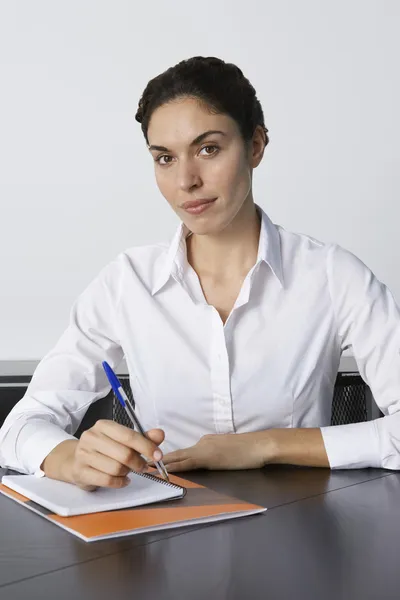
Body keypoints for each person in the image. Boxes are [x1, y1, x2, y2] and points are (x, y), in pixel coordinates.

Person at [1, 56, 400, 491]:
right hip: (163, 528)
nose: (186, 180)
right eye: (165, 158)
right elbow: (21, 426)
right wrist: (68, 456)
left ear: (255, 146)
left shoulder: (332, 276)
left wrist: (264, 445)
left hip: (300, 526)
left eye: (208, 149)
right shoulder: (126, 283)